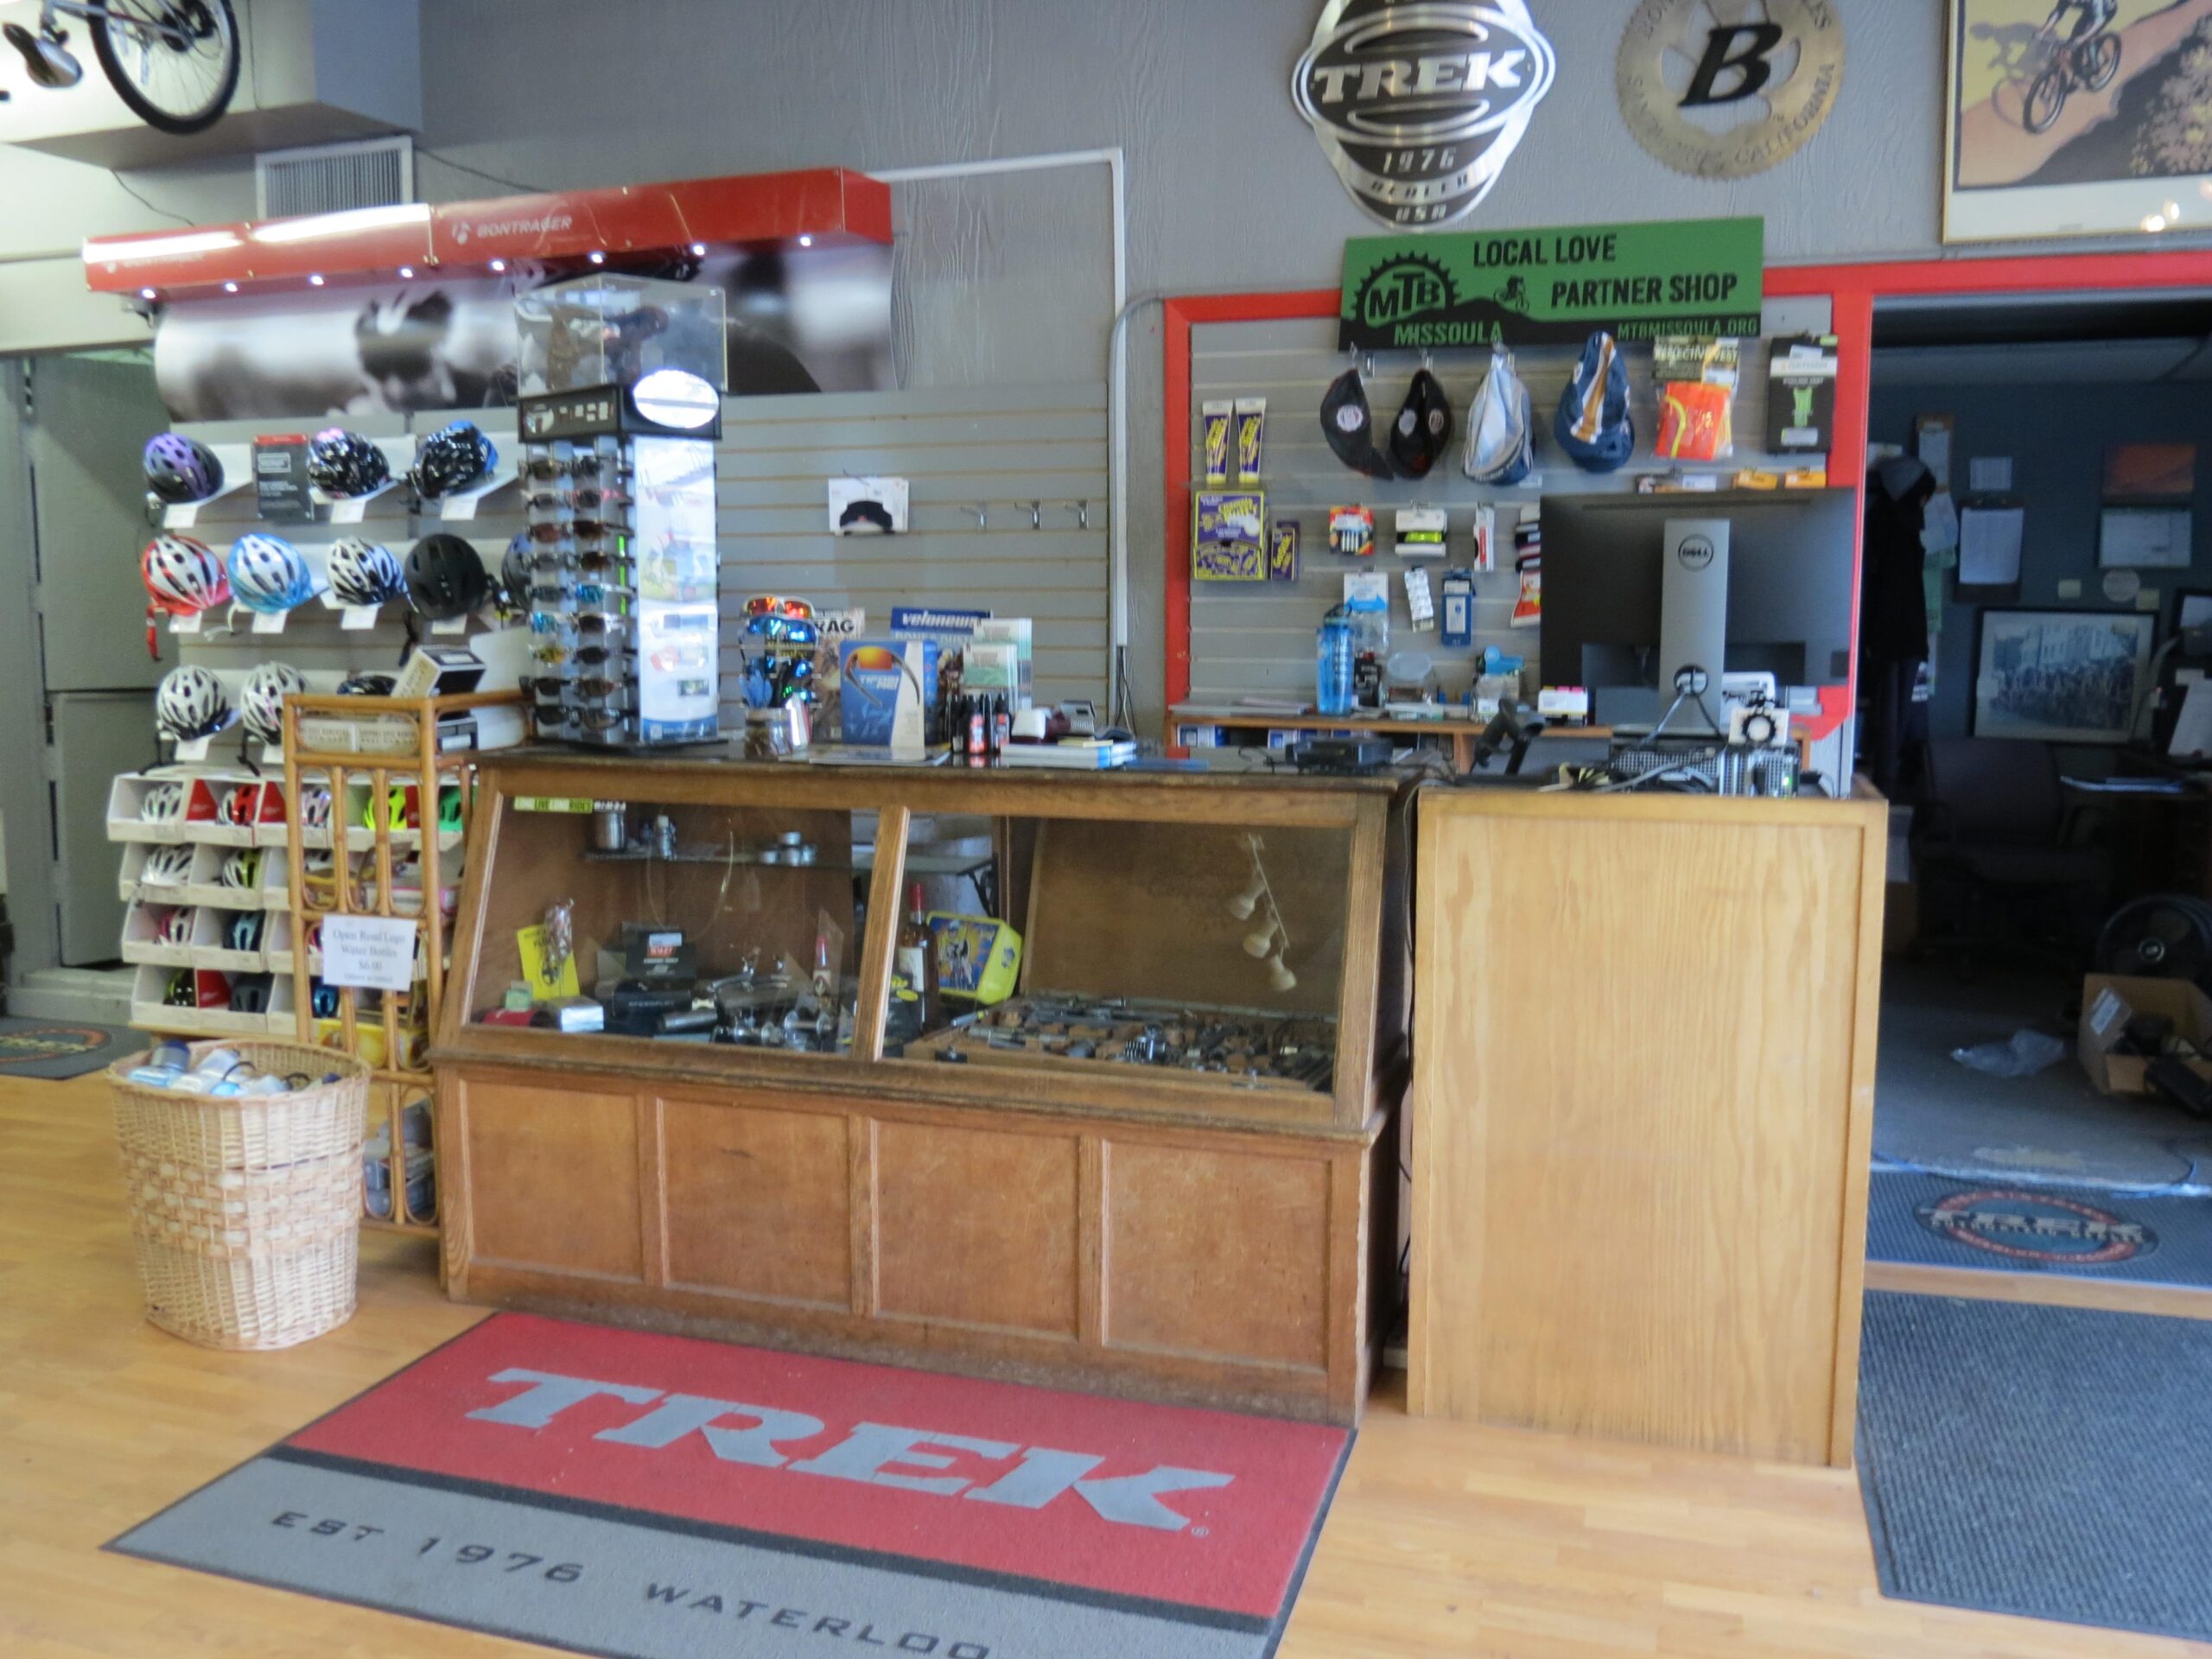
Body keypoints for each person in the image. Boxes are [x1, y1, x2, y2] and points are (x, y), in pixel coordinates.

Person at [2046, 0, 2116, 42]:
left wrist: (2082, 38)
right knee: (2075, 34)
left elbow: (2098, 22)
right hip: (2090, 9)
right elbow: (2058, 12)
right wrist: (2044, 31)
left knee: (2087, 38)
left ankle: (2094, 64)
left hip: (2107, 11)